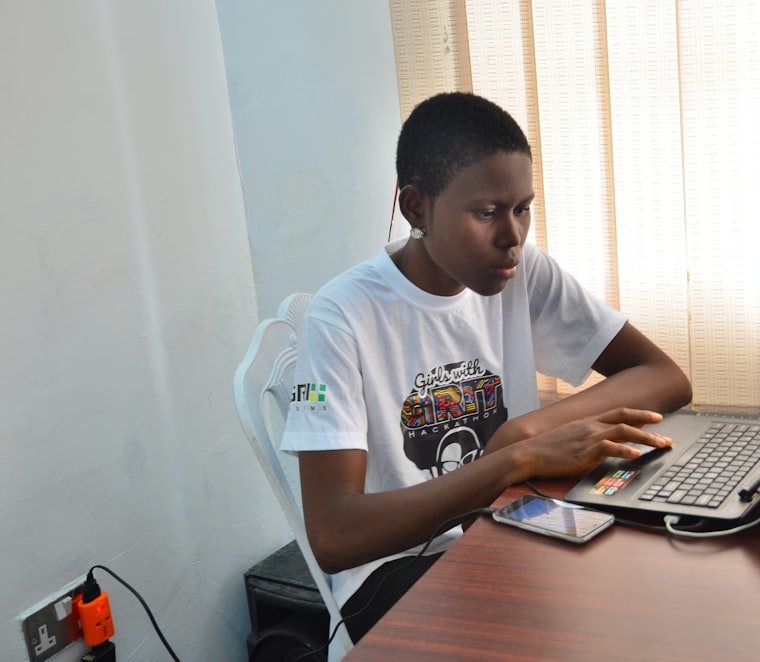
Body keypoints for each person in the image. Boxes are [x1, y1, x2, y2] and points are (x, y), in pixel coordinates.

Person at [281, 91, 692, 644]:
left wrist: (523, 432)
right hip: (395, 573)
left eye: (522, 208)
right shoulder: (340, 317)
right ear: (416, 207)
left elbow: (665, 377)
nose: (513, 237)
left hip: (508, 528)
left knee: (653, 597)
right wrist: (510, 461)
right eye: (488, 213)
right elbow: (333, 534)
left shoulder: (522, 274)